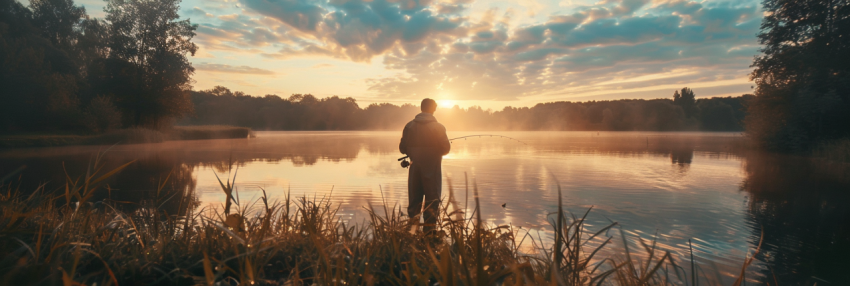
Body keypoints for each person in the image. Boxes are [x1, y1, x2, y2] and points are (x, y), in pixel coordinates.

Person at [399, 98, 451, 234]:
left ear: (421, 108)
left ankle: (411, 234)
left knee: (414, 204)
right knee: (432, 203)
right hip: (432, 170)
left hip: (414, 169)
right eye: (435, 107)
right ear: (433, 109)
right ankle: (430, 236)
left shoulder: (409, 126)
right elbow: (446, 149)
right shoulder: (438, 127)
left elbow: (402, 148)